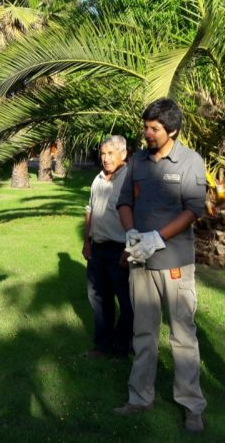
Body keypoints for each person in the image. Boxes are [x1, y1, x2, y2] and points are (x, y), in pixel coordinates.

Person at [113, 98, 207, 433]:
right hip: (141, 262)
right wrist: (133, 234)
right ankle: (140, 397)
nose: (147, 133)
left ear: (172, 130)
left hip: (174, 262)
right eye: (146, 126)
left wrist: (157, 237)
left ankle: (191, 405)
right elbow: (125, 202)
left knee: (182, 335)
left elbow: (194, 209)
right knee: (144, 332)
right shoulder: (137, 160)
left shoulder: (190, 161)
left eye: (154, 128)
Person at [82, 135, 133, 359]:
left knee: (126, 302)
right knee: (98, 298)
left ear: (123, 154)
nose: (105, 158)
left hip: (119, 249)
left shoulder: (129, 179)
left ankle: (122, 348)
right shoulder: (98, 179)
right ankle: (103, 346)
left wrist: (129, 248)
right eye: (103, 153)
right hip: (98, 248)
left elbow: (137, 215)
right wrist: (86, 241)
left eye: (110, 153)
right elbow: (90, 210)